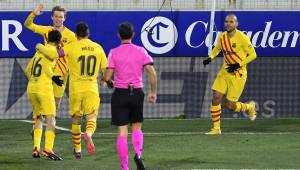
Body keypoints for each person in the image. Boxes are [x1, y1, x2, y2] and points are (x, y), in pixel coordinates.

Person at [104, 22, 157, 170]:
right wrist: (153, 92)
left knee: (122, 132)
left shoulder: (113, 52)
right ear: (133, 35)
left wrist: (109, 82)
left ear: (118, 36)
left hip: (120, 94)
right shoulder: (141, 51)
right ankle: (138, 154)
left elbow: (107, 76)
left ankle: (125, 167)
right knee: (137, 127)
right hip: (137, 93)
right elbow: (152, 72)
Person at [24, 4, 76, 134]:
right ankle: (37, 127)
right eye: (56, 16)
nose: (58, 19)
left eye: (61, 17)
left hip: (61, 74)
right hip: (46, 73)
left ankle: (47, 128)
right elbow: (28, 25)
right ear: (52, 17)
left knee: (55, 104)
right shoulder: (46, 30)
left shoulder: (71, 36)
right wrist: (33, 14)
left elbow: (75, 53)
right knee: (42, 103)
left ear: (64, 18)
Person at [203, 14, 257, 135]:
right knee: (216, 97)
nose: (228, 24)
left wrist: (238, 65)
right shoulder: (222, 37)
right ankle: (216, 129)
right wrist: (210, 57)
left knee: (230, 106)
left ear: (236, 24)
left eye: (231, 22)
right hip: (225, 71)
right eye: (227, 22)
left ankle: (249, 107)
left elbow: (253, 55)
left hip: (238, 74)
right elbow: (217, 49)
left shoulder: (242, 38)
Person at [26, 30, 64, 160]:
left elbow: (27, 70)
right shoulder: (53, 52)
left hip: (32, 88)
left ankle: (36, 148)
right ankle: (48, 149)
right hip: (44, 89)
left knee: (38, 117)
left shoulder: (38, 53)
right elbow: (52, 55)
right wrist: (39, 45)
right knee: (51, 118)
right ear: (59, 42)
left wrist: (51, 76)